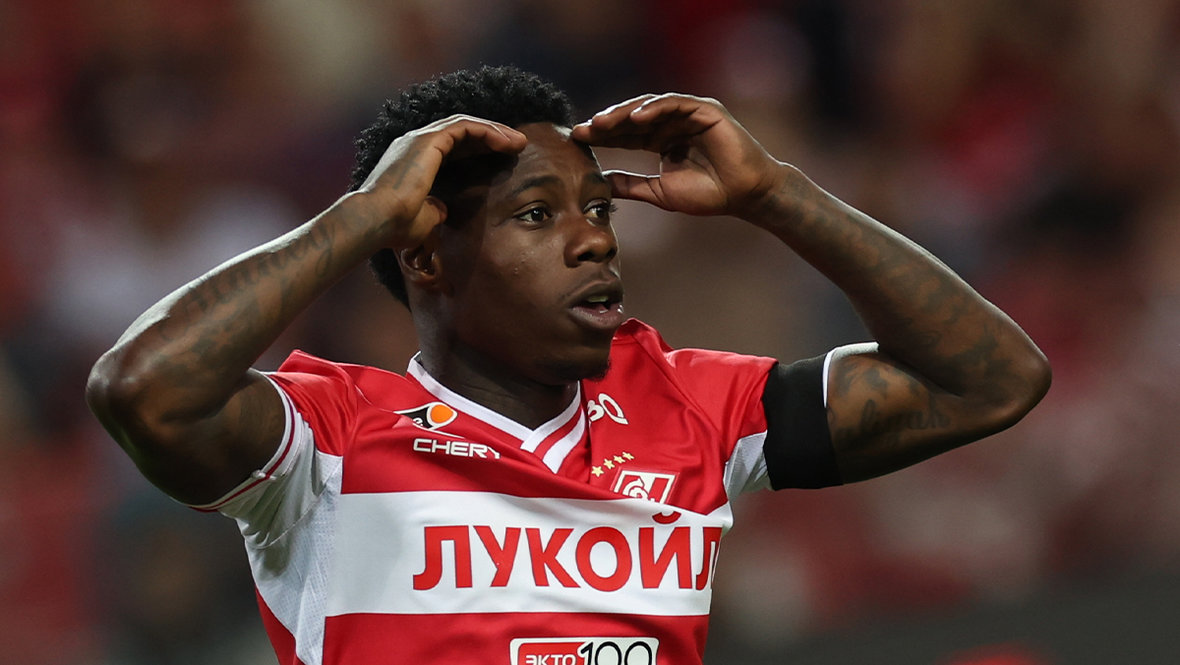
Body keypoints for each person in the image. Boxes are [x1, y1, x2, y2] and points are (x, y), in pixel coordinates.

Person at [86, 66, 1051, 665]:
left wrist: (777, 195)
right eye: (538, 215)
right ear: (426, 256)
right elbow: (142, 389)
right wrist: (364, 216)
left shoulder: (690, 406)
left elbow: (991, 379)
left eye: (597, 209)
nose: (594, 239)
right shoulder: (327, 439)